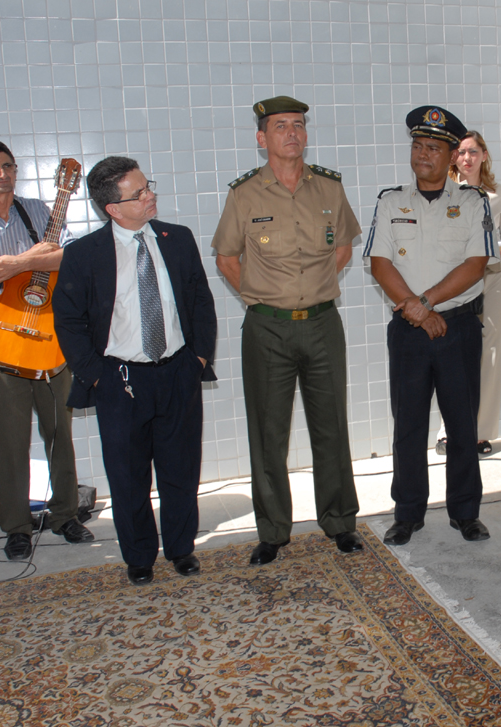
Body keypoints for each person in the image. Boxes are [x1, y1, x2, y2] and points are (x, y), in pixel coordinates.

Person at [212, 95, 362, 566]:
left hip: (322, 324)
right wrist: (261, 297)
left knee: (331, 426)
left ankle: (340, 522)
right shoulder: (244, 195)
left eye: (298, 125)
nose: (292, 133)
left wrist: (312, 288)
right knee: (268, 433)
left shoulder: (329, 188)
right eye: (280, 127)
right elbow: (226, 258)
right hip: (267, 330)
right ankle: (273, 531)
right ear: (262, 139)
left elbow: (343, 248)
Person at [52, 156, 217, 586]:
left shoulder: (177, 239)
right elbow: (68, 321)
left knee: (181, 470)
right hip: (120, 380)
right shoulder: (83, 255)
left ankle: (181, 548)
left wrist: (198, 359)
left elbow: (200, 300)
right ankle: (140, 556)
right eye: (139, 193)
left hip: (177, 372)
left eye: (148, 186)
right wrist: (97, 376)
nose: (150, 195)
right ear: (113, 208)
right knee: (128, 477)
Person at [0, 139, 94, 562]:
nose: (3, 174)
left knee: (59, 432)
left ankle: (65, 515)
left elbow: (71, 257)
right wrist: (30, 259)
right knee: (10, 440)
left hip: (48, 339)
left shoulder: (38, 211)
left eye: (8, 166)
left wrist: (14, 264)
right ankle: (16, 526)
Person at [365, 106, 497, 546]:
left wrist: (426, 303)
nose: (423, 154)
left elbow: (476, 264)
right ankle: (407, 514)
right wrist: (417, 311)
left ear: (452, 156)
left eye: (434, 148)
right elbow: (379, 263)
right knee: (408, 426)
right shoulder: (390, 201)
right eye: (418, 146)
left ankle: (465, 513)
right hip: (408, 331)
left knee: (462, 426)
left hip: (457, 328)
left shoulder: (472, 202)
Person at [435, 130, 501, 456]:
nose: (466, 158)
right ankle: (449, 431)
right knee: (453, 352)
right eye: (460, 152)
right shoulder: (444, 192)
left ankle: (480, 433)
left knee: (489, 352)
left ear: (484, 155)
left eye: (473, 151)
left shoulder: (500, 193)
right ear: (453, 157)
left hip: (493, 278)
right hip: (457, 281)